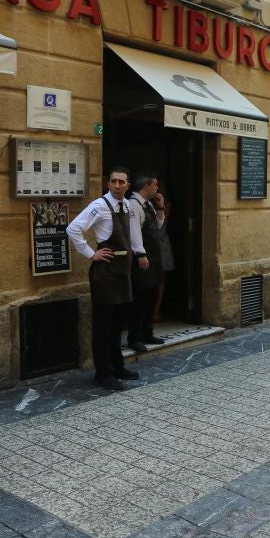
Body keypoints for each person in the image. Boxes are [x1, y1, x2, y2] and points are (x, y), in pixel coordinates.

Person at [67, 165, 147, 390]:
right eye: (114, 181)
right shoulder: (99, 206)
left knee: (117, 324)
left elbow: (132, 236)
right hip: (105, 273)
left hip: (122, 273)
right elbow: (73, 229)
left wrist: (139, 253)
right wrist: (92, 254)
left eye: (122, 182)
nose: (118, 185)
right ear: (108, 184)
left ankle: (117, 365)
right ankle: (103, 373)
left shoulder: (126, 206)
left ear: (128, 185)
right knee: (103, 325)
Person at [126, 173, 163, 352]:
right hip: (142, 259)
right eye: (155, 185)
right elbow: (134, 232)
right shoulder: (134, 205)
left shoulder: (147, 204)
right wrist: (140, 254)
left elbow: (158, 225)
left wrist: (161, 207)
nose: (157, 188)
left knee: (151, 297)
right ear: (146, 186)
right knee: (139, 299)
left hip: (153, 259)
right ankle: (135, 337)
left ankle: (147, 332)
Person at [152, 190, 175, 323]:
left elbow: (161, 222)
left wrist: (160, 205)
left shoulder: (165, 204)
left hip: (161, 243)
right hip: (149, 244)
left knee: (160, 277)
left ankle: (156, 310)